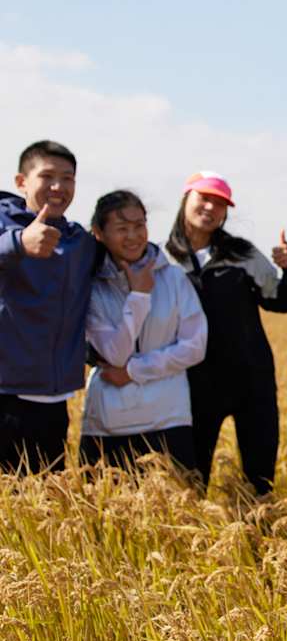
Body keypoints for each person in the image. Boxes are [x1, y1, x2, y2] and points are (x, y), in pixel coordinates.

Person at [164, 171, 287, 495]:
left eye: (220, 204)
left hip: (251, 381)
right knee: (190, 480)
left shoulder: (242, 254)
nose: (211, 208)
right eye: (204, 199)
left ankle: (260, 539)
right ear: (187, 199)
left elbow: (281, 301)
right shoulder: (163, 258)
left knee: (260, 479)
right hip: (192, 384)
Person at [80, 190, 206, 473]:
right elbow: (115, 353)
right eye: (122, 228)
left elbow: (194, 346)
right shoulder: (92, 285)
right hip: (107, 423)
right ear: (98, 233)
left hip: (168, 419)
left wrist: (134, 371)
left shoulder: (173, 278)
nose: (134, 236)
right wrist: (139, 296)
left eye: (139, 226)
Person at [0, 140, 97, 472]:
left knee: (42, 513)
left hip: (54, 401)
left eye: (68, 178)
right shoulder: (6, 228)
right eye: (48, 176)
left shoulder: (79, 242)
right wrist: (17, 243)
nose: (59, 187)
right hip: (4, 396)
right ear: (21, 182)